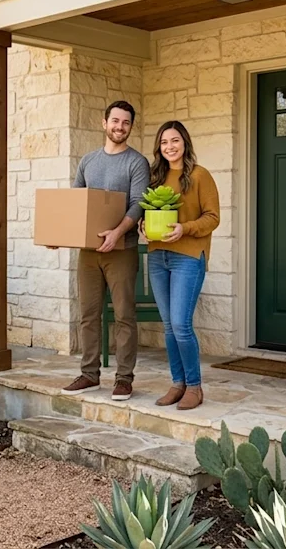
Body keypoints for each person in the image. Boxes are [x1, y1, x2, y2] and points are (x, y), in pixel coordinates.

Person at [57, 100, 150, 401]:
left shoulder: (137, 162)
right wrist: (59, 234)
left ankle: (124, 379)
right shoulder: (88, 161)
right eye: (115, 121)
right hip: (89, 251)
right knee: (88, 314)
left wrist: (117, 232)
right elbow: (75, 204)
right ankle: (89, 374)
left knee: (124, 315)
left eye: (125, 123)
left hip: (122, 249)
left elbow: (138, 204)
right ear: (104, 122)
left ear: (130, 127)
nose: (119, 127)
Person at [140, 121, 219, 410]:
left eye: (175, 140)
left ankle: (195, 387)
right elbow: (147, 210)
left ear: (185, 142)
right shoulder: (155, 177)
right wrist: (143, 227)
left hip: (188, 256)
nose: (170, 147)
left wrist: (184, 228)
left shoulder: (200, 176)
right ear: (159, 147)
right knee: (169, 327)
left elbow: (213, 217)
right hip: (158, 255)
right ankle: (178, 383)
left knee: (181, 325)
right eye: (164, 142)